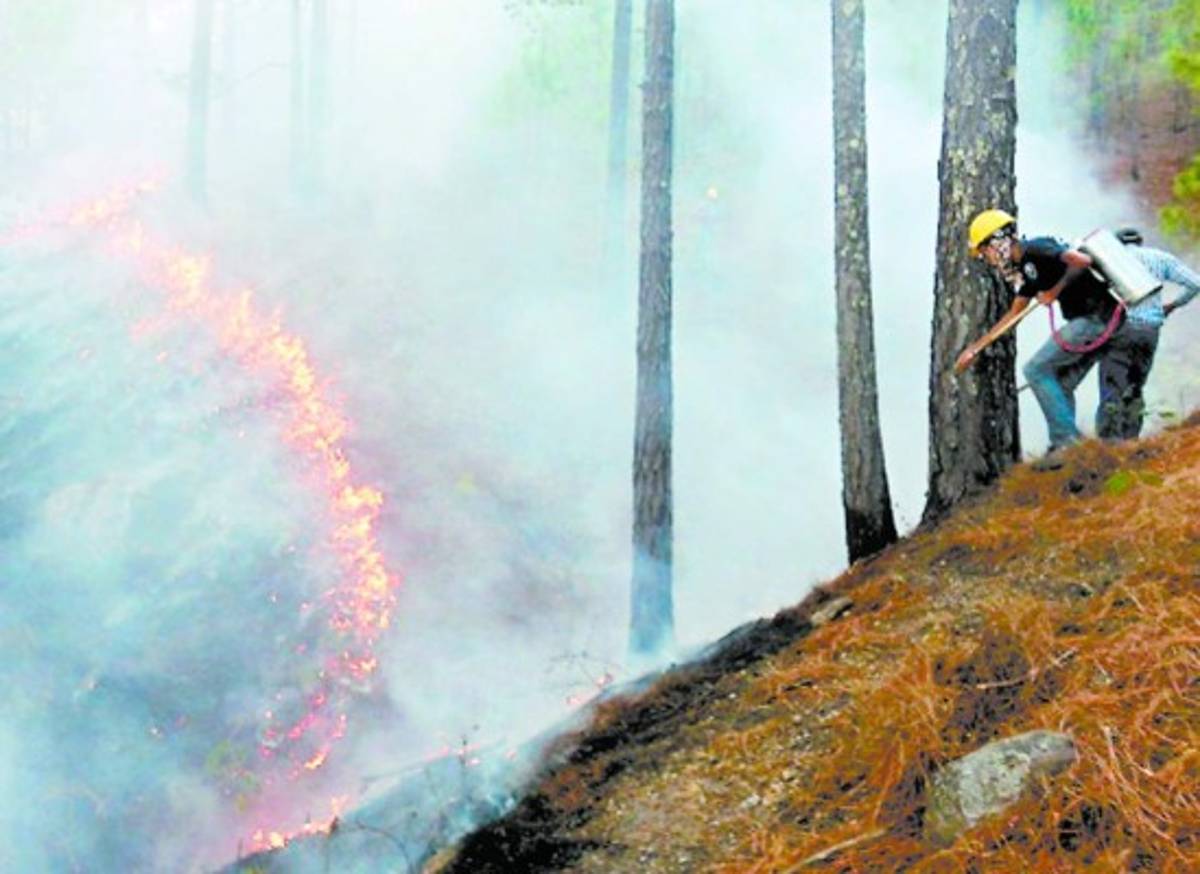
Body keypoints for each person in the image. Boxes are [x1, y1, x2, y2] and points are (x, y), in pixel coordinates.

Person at [955, 209, 1125, 459]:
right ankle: (1073, 452)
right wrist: (974, 349)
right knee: (1059, 383)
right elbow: (1013, 315)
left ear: (997, 240)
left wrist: (1054, 291)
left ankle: (1065, 443)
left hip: (1096, 318)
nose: (986, 258)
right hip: (1093, 321)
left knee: (1035, 370)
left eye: (984, 250)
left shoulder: (1037, 248)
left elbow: (1082, 261)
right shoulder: (1026, 271)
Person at [1099, 227, 1200, 439]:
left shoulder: (1109, 260)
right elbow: (1195, 283)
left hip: (1120, 331)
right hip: (1149, 333)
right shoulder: (1160, 258)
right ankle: (1131, 441)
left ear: (1117, 244)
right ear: (1140, 241)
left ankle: (1109, 445)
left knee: (1112, 387)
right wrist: (1173, 305)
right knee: (1135, 387)